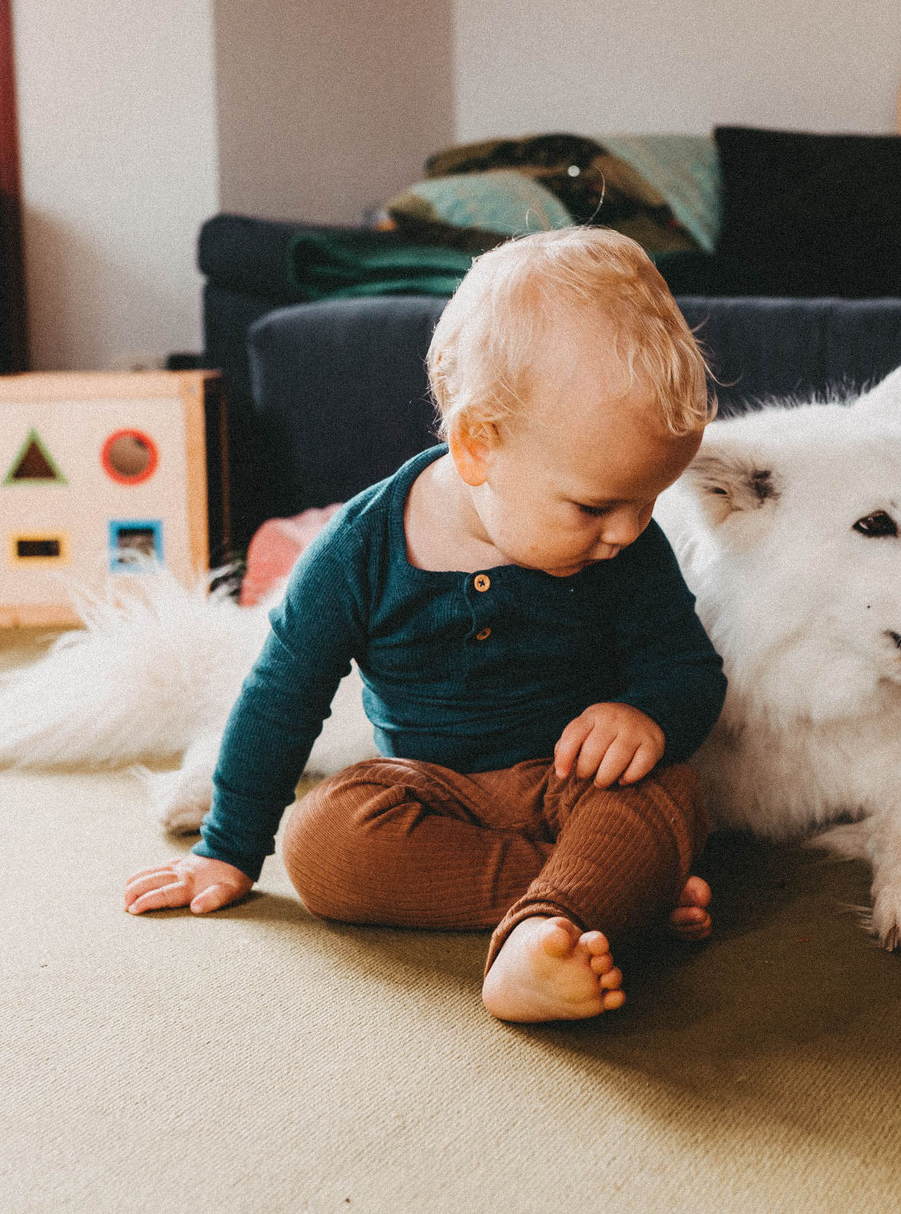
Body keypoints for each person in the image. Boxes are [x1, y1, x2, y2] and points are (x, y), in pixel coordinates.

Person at [122, 227, 727, 1023]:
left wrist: (645, 715)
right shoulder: (360, 547)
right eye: (595, 506)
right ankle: (596, 892)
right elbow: (282, 694)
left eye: (647, 500)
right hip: (431, 794)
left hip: (572, 784)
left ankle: (558, 922)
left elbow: (691, 670)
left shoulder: (625, 548)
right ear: (479, 445)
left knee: (670, 793)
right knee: (322, 843)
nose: (626, 530)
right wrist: (229, 848)